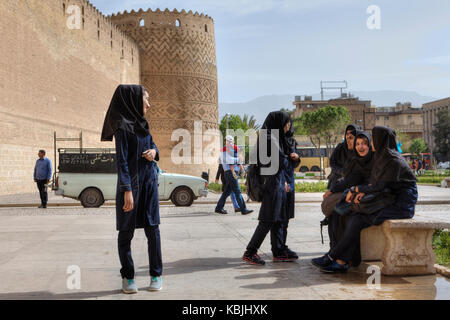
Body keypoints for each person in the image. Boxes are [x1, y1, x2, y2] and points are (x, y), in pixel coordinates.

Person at [312, 126, 417, 273]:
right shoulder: (383, 157)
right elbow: (376, 185)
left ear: (381, 140)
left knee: (357, 219)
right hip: (388, 199)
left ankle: (333, 258)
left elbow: (379, 186)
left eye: (372, 139)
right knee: (351, 216)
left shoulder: (392, 160)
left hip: (401, 206)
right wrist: (360, 191)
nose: (370, 142)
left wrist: (356, 190)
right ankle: (337, 259)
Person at [101, 85, 163, 293]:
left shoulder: (143, 124)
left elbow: (154, 146)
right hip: (131, 186)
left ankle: (156, 274)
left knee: (153, 229)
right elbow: (122, 163)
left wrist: (154, 152)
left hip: (149, 185)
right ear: (135, 100)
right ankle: (128, 277)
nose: (149, 104)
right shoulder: (122, 127)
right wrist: (127, 190)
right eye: (146, 99)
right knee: (126, 232)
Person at [315, 130, 374, 266]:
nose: (360, 146)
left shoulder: (374, 160)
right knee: (336, 215)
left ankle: (342, 259)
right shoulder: (357, 159)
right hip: (358, 196)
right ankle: (334, 254)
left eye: (364, 143)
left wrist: (358, 190)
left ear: (370, 145)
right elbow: (350, 177)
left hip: (368, 199)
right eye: (358, 143)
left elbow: (374, 183)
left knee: (348, 217)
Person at [242, 111, 294, 265]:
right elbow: (272, 165)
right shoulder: (269, 140)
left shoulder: (270, 138)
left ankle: (277, 251)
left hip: (276, 184)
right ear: (278, 123)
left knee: (274, 220)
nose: (288, 126)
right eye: (285, 122)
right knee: (266, 221)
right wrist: (288, 159)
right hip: (272, 186)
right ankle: (250, 252)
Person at [214, 137, 253, 215]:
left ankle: (218, 208)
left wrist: (241, 168)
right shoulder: (225, 150)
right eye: (230, 142)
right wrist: (238, 159)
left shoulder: (228, 150)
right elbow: (229, 160)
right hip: (230, 173)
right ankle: (243, 209)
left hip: (229, 173)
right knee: (237, 191)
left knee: (227, 192)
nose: (231, 144)